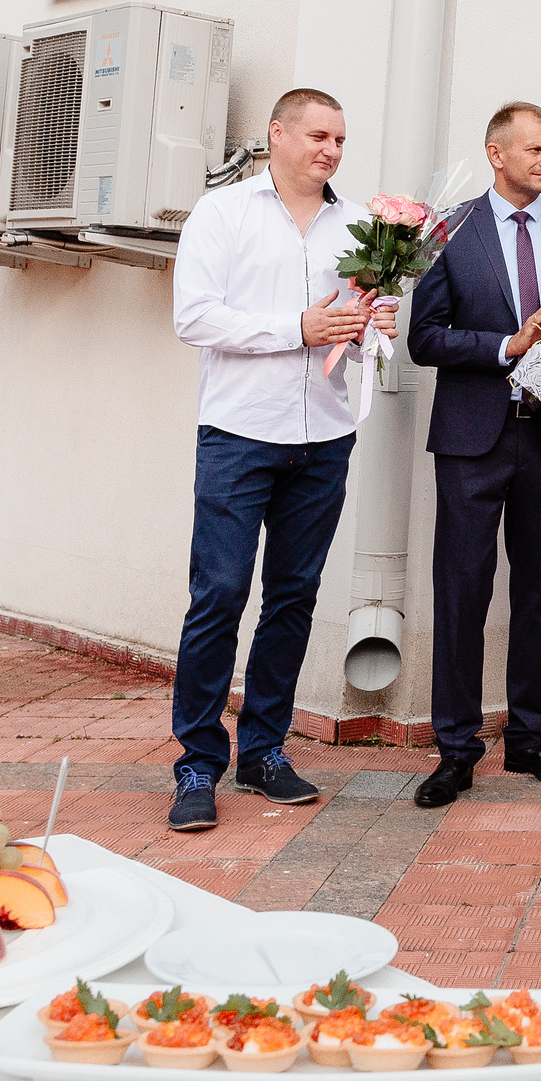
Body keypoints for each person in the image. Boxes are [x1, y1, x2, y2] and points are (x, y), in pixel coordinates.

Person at [164, 89, 395, 832]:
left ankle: (263, 750)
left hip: (324, 436)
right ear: (277, 133)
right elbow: (194, 316)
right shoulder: (223, 212)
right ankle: (198, 760)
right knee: (219, 594)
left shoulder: (360, 226)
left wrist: (372, 326)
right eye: (319, 135)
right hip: (239, 433)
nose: (331, 150)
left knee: (293, 597)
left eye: (340, 139)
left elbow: (350, 335)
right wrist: (296, 326)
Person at [407, 102, 541, 809]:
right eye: (534, 149)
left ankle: (527, 737)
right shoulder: (448, 228)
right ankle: (456, 748)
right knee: (462, 591)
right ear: (497, 154)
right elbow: (424, 338)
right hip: (472, 439)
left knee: (537, 590)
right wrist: (507, 346)